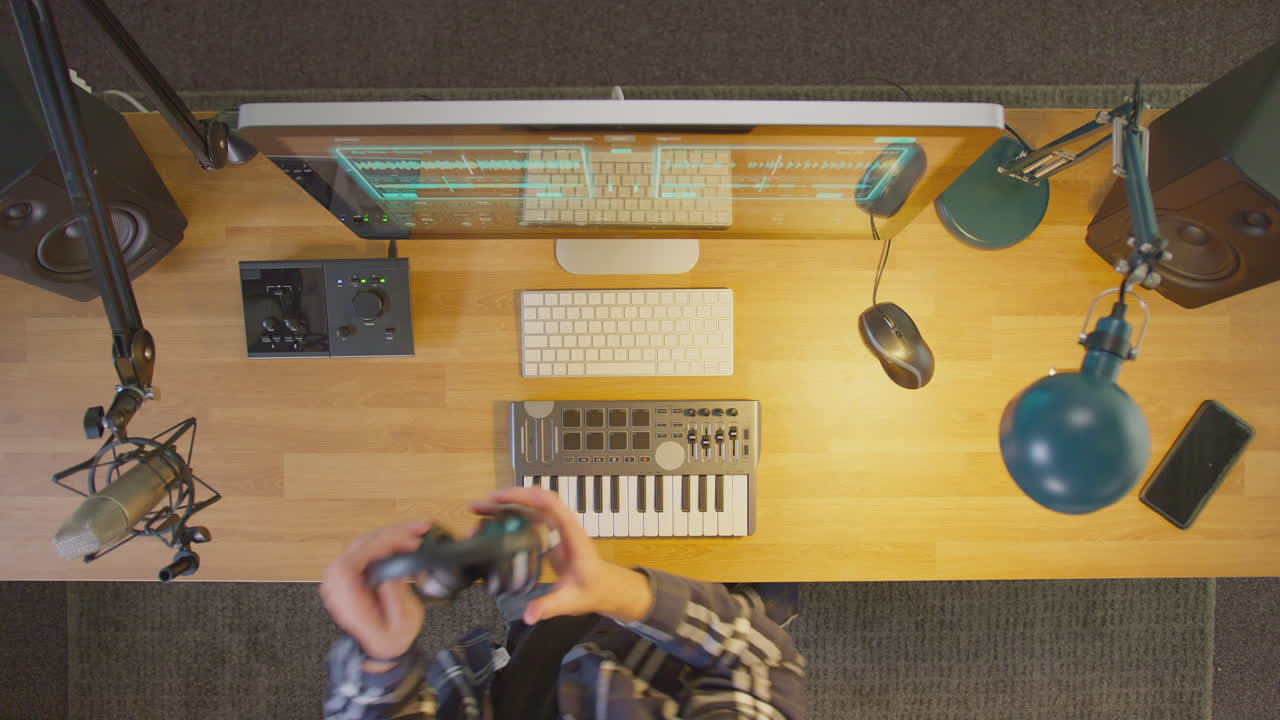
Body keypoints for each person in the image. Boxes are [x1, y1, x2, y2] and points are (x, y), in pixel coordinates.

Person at [320, 486, 806, 719]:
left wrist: (382, 657)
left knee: (530, 580)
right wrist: (616, 590)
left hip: (539, 633)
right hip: (685, 648)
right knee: (783, 527)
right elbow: (759, 663)